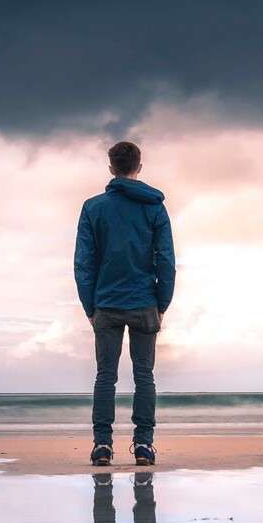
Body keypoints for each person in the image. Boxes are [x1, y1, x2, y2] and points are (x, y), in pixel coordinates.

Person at [74, 141, 175, 466]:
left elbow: (84, 262)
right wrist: (163, 302)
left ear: (110, 169)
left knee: (106, 376)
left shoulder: (93, 207)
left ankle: (102, 445)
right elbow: (167, 261)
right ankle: (144, 445)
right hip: (145, 300)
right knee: (144, 375)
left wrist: (89, 305)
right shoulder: (155, 208)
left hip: (106, 302)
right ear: (139, 167)